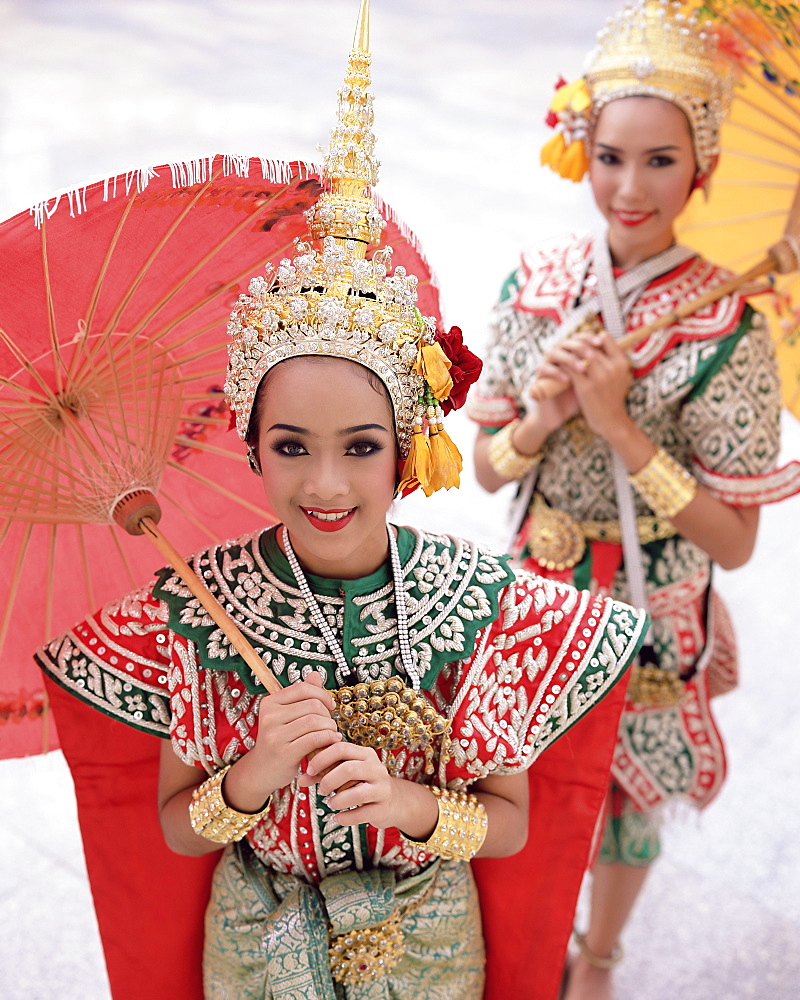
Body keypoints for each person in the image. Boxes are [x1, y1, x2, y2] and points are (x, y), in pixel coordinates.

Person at [36, 5, 648, 998]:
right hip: (257, 949)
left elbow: (512, 819)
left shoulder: (475, 604)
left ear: (408, 449)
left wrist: (409, 803)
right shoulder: (198, 606)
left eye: (359, 448)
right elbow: (168, 823)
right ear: (250, 447)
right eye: (290, 447)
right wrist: (253, 775)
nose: (324, 483)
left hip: (428, 950)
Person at [470, 2, 800, 998]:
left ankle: (598, 956)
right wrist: (538, 413)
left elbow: (733, 542)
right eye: (611, 154)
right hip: (534, 580)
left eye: (660, 160)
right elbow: (486, 469)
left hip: (652, 599)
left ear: (698, 166)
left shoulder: (727, 330)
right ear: (581, 147)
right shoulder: (534, 284)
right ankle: (516, 935)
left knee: (622, 799)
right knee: (510, 778)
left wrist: (619, 427)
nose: (628, 186)